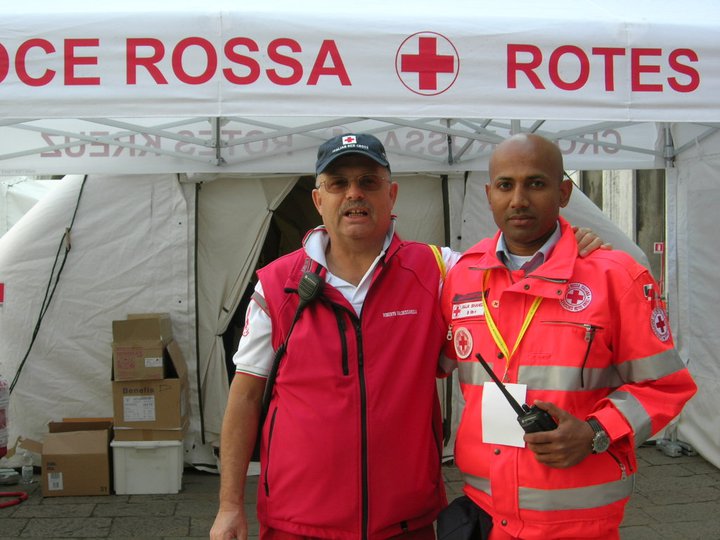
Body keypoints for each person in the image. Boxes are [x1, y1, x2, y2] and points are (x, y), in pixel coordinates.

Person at [210, 133, 605, 540]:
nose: (354, 194)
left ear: (392, 194)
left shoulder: (440, 271)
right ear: (318, 200)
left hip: (404, 522)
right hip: (297, 522)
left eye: (368, 181)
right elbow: (245, 397)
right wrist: (228, 506)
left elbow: (514, 275)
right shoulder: (277, 285)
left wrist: (571, 249)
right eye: (338, 183)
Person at [440, 133, 697, 540]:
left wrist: (596, 431)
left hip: (576, 523)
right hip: (486, 515)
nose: (519, 199)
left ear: (563, 191)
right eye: (506, 185)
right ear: (489, 195)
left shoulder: (616, 278)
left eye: (536, 183)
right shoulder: (463, 278)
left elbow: (665, 387)